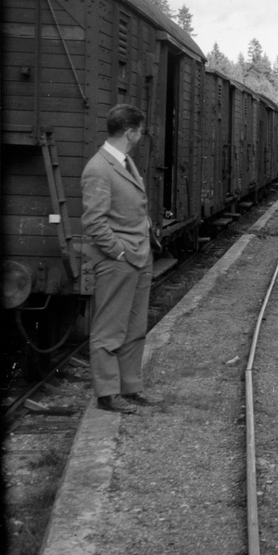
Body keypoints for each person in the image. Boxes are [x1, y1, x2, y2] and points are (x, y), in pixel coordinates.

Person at [80, 104, 157, 413]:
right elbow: (94, 223)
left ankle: (130, 386)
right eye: (139, 132)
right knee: (109, 329)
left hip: (139, 255)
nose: (140, 136)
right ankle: (108, 394)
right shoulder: (98, 169)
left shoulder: (124, 162)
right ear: (129, 132)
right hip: (119, 259)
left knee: (135, 326)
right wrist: (119, 251)